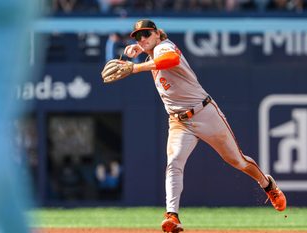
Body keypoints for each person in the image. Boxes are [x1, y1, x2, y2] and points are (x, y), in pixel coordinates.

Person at [104, 19, 287, 233]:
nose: (142, 39)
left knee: (237, 160)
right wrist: (142, 50)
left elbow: (170, 59)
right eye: (137, 37)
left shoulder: (165, 46)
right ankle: (172, 216)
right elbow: (154, 56)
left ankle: (267, 185)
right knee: (174, 163)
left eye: (146, 34)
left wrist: (136, 67)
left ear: (156, 34)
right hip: (179, 122)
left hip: (204, 113)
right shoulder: (151, 51)